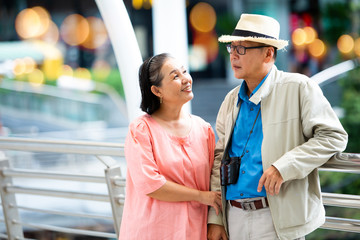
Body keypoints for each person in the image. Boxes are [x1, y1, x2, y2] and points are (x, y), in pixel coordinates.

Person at [207, 14, 348, 240]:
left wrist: (285, 166)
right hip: (233, 217)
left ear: (268, 53)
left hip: (275, 217)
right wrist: (216, 219)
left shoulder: (299, 87)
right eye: (232, 47)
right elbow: (218, 159)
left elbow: (333, 136)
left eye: (242, 48)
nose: (233, 54)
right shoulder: (230, 100)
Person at [119, 53, 222, 240]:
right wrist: (202, 196)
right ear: (156, 91)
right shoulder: (142, 130)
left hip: (194, 231)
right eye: (175, 76)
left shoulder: (203, 129)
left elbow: (214, 177)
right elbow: (151, 185)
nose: (185, 79)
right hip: (151, 231)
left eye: (184, 71)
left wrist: (216, 221)